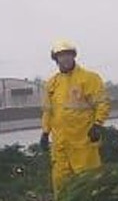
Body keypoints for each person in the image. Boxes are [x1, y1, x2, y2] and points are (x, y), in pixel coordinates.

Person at [40, 38, 110, 192]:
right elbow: (48, 111)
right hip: (60, 144)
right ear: (56, 59)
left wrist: (97, 125)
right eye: (60, 56)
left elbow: (102, 103)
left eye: (67, 55)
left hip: (83, 141)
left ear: (73, 56)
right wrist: (45, 132)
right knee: (61, 182)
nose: (64, 58)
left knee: (88, 181)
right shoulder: (52, 83)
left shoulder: (89, 78)